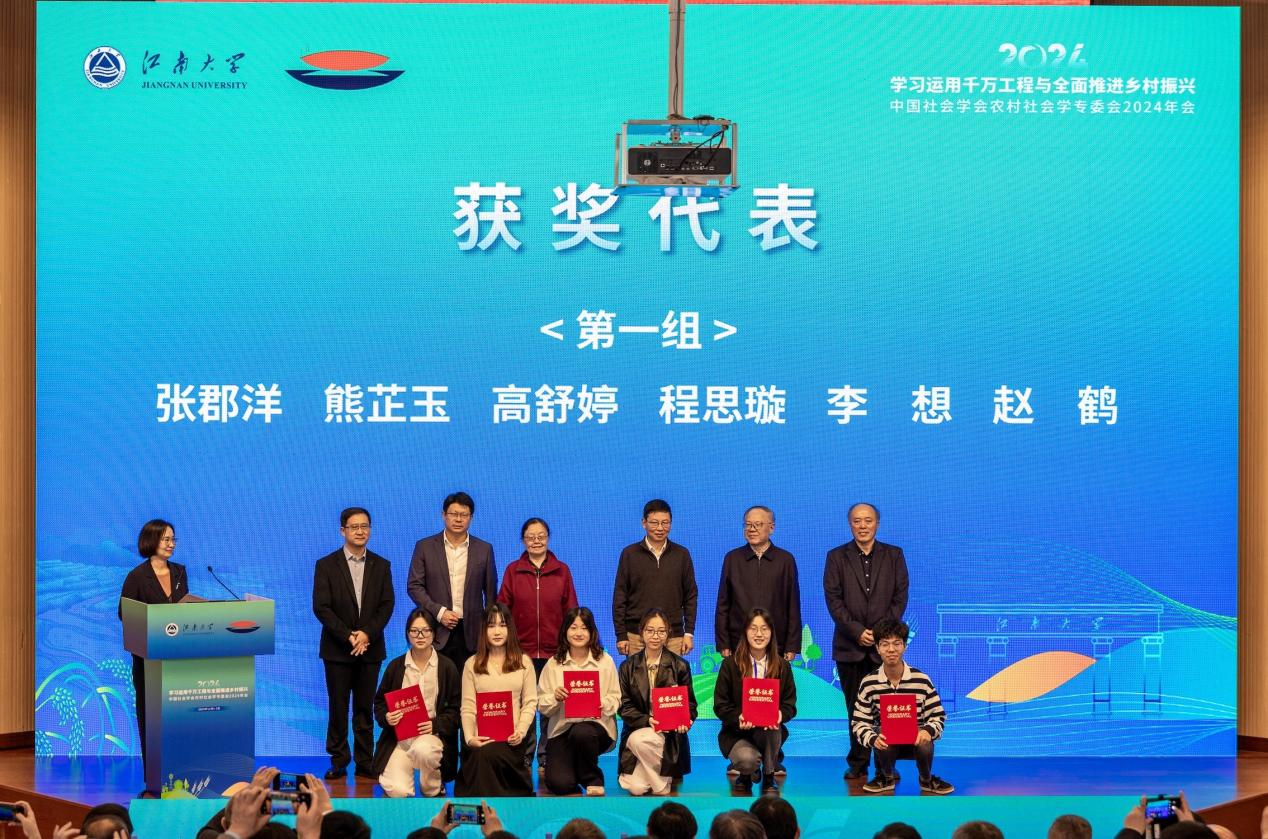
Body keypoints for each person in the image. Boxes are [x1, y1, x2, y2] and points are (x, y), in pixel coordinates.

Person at [823, 502, 908, 780]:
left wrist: (882, 633)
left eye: (868, 520)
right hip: (849, 646)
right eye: (857, 521)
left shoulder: (894, 555)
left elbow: (900, 596)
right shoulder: (836, 557)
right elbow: (833, 600)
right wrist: (857, 631)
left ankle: (886, 764)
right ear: (850, 524)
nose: (863, 526)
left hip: (885, 649)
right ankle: (858, 763)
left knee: (886, 709)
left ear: (877, 524)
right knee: (855, 708)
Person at [313, 507, 396, 781]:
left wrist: (366, 635)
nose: (360, 531)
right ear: (343, 531)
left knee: (364, 708)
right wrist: (349, 635)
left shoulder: (381, 565)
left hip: (370, 649)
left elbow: (386, 605)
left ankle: (364, 761)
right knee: (338, 707)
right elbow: (321, 607)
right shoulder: (326, 565)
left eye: (365, 526)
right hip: (337, 649)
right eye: (354, 527)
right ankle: (338, 760)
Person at [497, 517, 578, 771]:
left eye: (541, 536)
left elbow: (571, 610)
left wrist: (568, 646)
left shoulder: (562, 570)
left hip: (555, 652)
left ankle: (547, 755)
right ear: (523, 540)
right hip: (521, 652)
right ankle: (524, 753)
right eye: (530, 537)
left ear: (548, 538)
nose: (536, 541)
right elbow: (502, 611)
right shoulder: (513, 570)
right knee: (524, 705)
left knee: (551, 705)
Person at [118, 518, 189, 785]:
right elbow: (125, 614)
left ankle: (182, 774)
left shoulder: (180, 572)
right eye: (166, 539)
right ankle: (154, 779)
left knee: (178, 719)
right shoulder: (137, 576)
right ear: (151, 541)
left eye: (173, 539)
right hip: (148, 661)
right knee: (151, 718)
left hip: (178, 659)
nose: (171, 544)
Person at [851, 618, 952, 795]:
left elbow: (938, 716)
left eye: (897, 643)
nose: (891, 649)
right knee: (882, 731)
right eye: (885, 644)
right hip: (887, 744)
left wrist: (928, 731)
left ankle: (926, 779)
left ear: (905, 646)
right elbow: (859, 722)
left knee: (926, 740)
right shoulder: (869, 683)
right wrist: (873, 739)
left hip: (917, 741)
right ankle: (886, 777)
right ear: (877, 648)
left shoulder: (921, 680)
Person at [373, 608, 461, 798]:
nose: (420, 636)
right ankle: (402, 778)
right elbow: (379, 703)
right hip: (400, 740)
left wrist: (435, 724)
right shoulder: (396, 667)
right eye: (414, 631)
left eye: (426, 630)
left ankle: (433, 786)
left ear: (434, 633)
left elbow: (456, 712)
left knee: (423, 751)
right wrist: (387, 717)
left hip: (431, 739)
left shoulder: (447, 667)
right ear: (407, 634)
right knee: (398, 792)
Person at [408, 492, 497, 674]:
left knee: (469, 685)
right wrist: (439, 612)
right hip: (436, 629)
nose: (458, 519)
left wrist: (488, 631)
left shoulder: (484, 549)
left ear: (471, 518)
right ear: (444, 515)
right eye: (453, 514)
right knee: (437, 686)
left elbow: (490, 594)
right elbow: (414, 586)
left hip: (472, 634)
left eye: (464, 515)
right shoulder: (425, 547)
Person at [456, 604, 538, 797]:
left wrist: (520, 731)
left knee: (489, 755)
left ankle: (490, 805)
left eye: (502, 625)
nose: (497, 631)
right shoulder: (471, 664)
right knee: (482, 753)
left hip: (512, 738)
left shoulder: (524, 662)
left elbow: (530, 703)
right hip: (481, 738)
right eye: (491, 626)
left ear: (510, 629)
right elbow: (467, 707)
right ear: (483, 630)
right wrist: (470, 738)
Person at [537, 607, 620, 796]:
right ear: (565, 631)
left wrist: (601, 702)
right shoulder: (553, 663)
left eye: (584, 628)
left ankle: (592, 779)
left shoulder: (605, 661)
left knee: (582, 732)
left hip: (596, 728)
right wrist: (555, 698)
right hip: (562, 729)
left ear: (592, 632)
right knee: (559, 785)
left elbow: (616, 698)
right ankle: (573, 771)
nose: (578, 633)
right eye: (573, 627)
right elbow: (541, 704)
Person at [713, 609, 797, 794]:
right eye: (753, 628)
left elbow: (790, 705)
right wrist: (738, 717)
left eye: (764, 629)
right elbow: (720, 705)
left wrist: (780, 714)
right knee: (746, 760)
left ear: (771, 633)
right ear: (745, 632)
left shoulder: (782, 666)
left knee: (772, 725)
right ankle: (746, 774)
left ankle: (768, 776)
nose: (759, 634)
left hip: (769, 733)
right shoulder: (730, 665)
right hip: (737, 732)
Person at [617, 609, 697, 796]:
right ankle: (662, 781)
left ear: (668, 633)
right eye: (650, 630)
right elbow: (624, 706)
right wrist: (647, 720)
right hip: (640, 728)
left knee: (638, 745)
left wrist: (686, 721)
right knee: (636, 788)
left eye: (661, 631)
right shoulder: (627, 666)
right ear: (642, 632)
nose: (655, 636)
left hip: (668, 736)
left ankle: (658, 782)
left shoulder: (680, 665)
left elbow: (691, 705)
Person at [715, 506, 801, 663]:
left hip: (776, 643)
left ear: (771, 528)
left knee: (772, 680)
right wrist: (723, 642)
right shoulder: (732, 559)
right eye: (748, 524)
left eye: (758, 524)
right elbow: (723, 604)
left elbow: (793, 605)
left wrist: (792, 645)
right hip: (738, 643)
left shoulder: (785, 560)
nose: (751, 529)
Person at [612, 500, 698, 657]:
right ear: (644, 523)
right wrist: (621, 635)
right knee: (636, 675)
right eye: (654, 523)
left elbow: (690, 596)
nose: (660, 528)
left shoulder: (682, 554)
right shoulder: (629, 554)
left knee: (673, 675)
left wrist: (689, 633)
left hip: (673, 636)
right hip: (636, 636)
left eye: (665, 523)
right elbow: (620, 596)